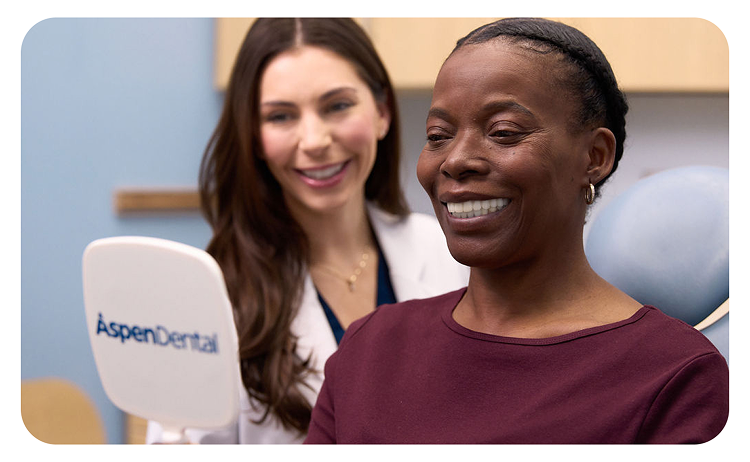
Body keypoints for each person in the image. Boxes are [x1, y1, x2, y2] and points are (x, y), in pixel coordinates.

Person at [304, 18, 729, 444]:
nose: (455, 160)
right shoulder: (371, 346)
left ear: (594, 156)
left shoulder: (677, 376)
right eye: (438, 136)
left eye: (503, 132)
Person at [145, 18, 468, 444]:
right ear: (255, 137)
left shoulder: (450, 252)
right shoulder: (209, 296)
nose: (314, 140)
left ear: (381, 113)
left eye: (337, 106)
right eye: (281, 116)